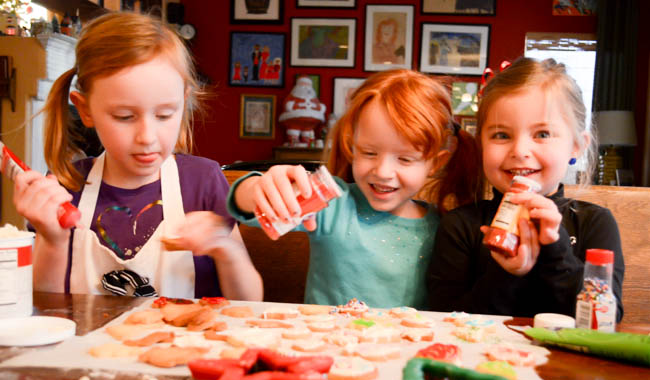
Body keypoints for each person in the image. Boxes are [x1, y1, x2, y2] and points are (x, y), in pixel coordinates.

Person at [12, 12, 262, 300]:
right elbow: (47, 310)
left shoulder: (203, 181)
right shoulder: (66, 188)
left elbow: (249, 304)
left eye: (164, 115)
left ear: (184, 101)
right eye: (125, 116)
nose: (147, 136)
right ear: (85, 110)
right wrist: (53, 241)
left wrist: (226, 249)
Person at [227, 69, 482, 308]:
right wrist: (257, 188)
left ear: (435, 163)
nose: (382, 172)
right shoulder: (332, 203)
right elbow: (250, 210)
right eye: (369, 152)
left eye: (405, 159)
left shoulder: (445, 230)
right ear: (352, 146)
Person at [427, 57, 624, 320]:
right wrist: (505, 273)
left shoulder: (595, 223)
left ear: (576, 145)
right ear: (481, 144)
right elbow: (443, 319)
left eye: (542, 134)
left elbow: (603, 317)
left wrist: (555, 248)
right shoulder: (460, 226)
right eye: (501, 135)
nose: (519, 151)